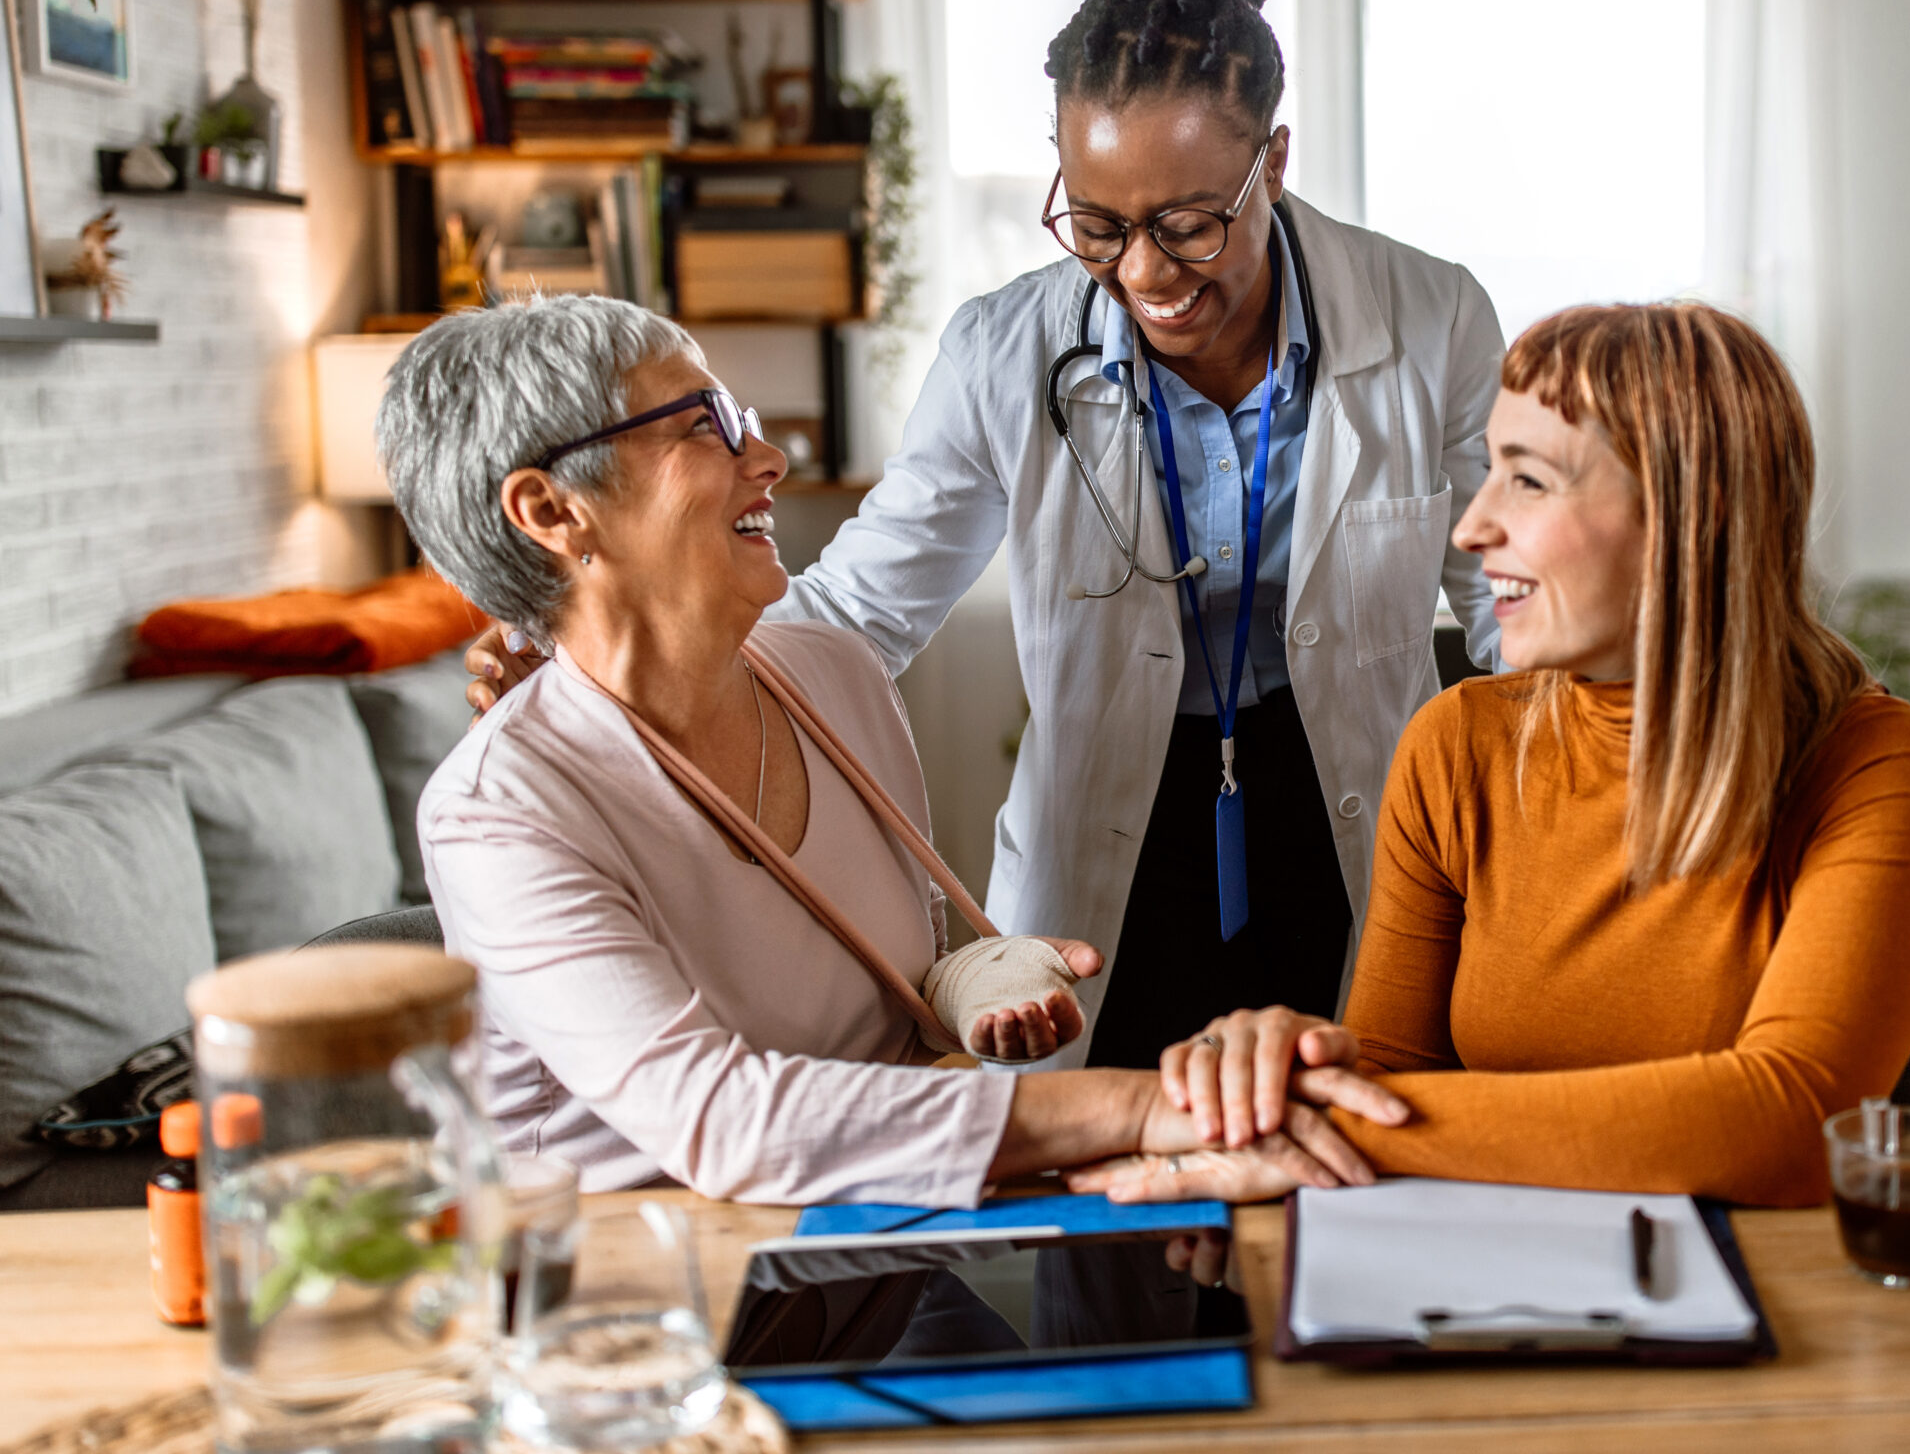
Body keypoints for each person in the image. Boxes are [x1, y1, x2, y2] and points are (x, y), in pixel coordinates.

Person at [469, 0, 1503, 1072]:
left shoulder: (1429, 315)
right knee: (1102, 1228)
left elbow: (1505, 610)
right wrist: (609, 681)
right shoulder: (1004, 351)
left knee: (1353, 1190)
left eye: (1187, 224)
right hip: (1109, 849)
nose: (1140, 274)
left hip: (1357, 824)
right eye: (1098, 222)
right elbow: (854, 618)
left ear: (1271, 164)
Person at [386, 297, 1406, 1208]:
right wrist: (1143, 1108)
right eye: (706, 426)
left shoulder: (831, 673)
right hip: (650, 1331)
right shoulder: (499, 814)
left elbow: (911, 975)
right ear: (552, 511)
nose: (769, 456)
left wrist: (979, 986)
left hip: (882, 1262)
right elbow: (721, 1120)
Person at [1080, 304, 1910, 1208]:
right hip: (1510, 1277)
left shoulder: (1872, 763)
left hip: (1788, 1308)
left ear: (1695, 512)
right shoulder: (1457, 745)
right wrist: (1288, 1084)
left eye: (1530, 482)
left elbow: (1794, 1121)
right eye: (1489, 471)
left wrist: (1319, 1128)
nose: (1471, 527)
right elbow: (1385, 1075)